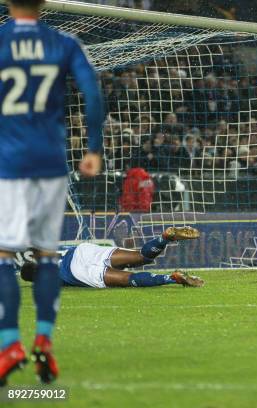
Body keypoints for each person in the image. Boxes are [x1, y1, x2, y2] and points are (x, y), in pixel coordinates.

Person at [0, 0, 104, 385]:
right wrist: (93, 148)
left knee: (4, 255)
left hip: (8, 162)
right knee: (45, 254)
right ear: (44, 3)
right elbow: (92, 95)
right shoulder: (63, 42)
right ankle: (44, 339)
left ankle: (10, 342)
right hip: (49, 162)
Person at [20, 227, 203, 288]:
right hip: (82, 251)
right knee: (141, 257)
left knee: (127, 279)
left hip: (78, 271)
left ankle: (171, 278)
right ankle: (164, 238)